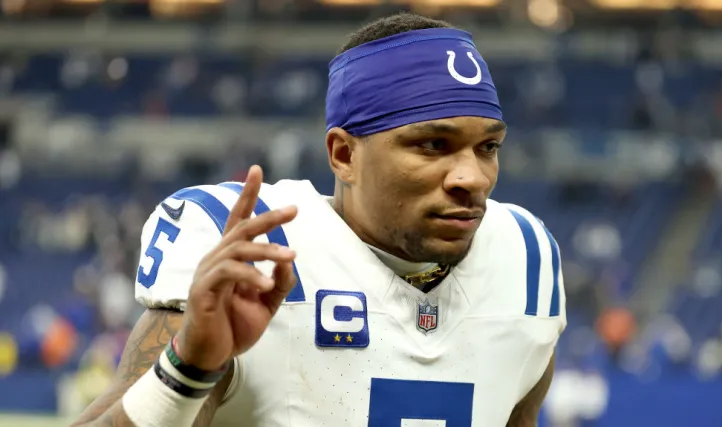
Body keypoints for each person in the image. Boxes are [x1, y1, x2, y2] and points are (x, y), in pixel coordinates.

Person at [70, 12, 566, 427]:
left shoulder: (525, 259)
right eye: (434, 144)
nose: (472, 178)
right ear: (344, 155)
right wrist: (189, 365)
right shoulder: (253, 250)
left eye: (488, 147)